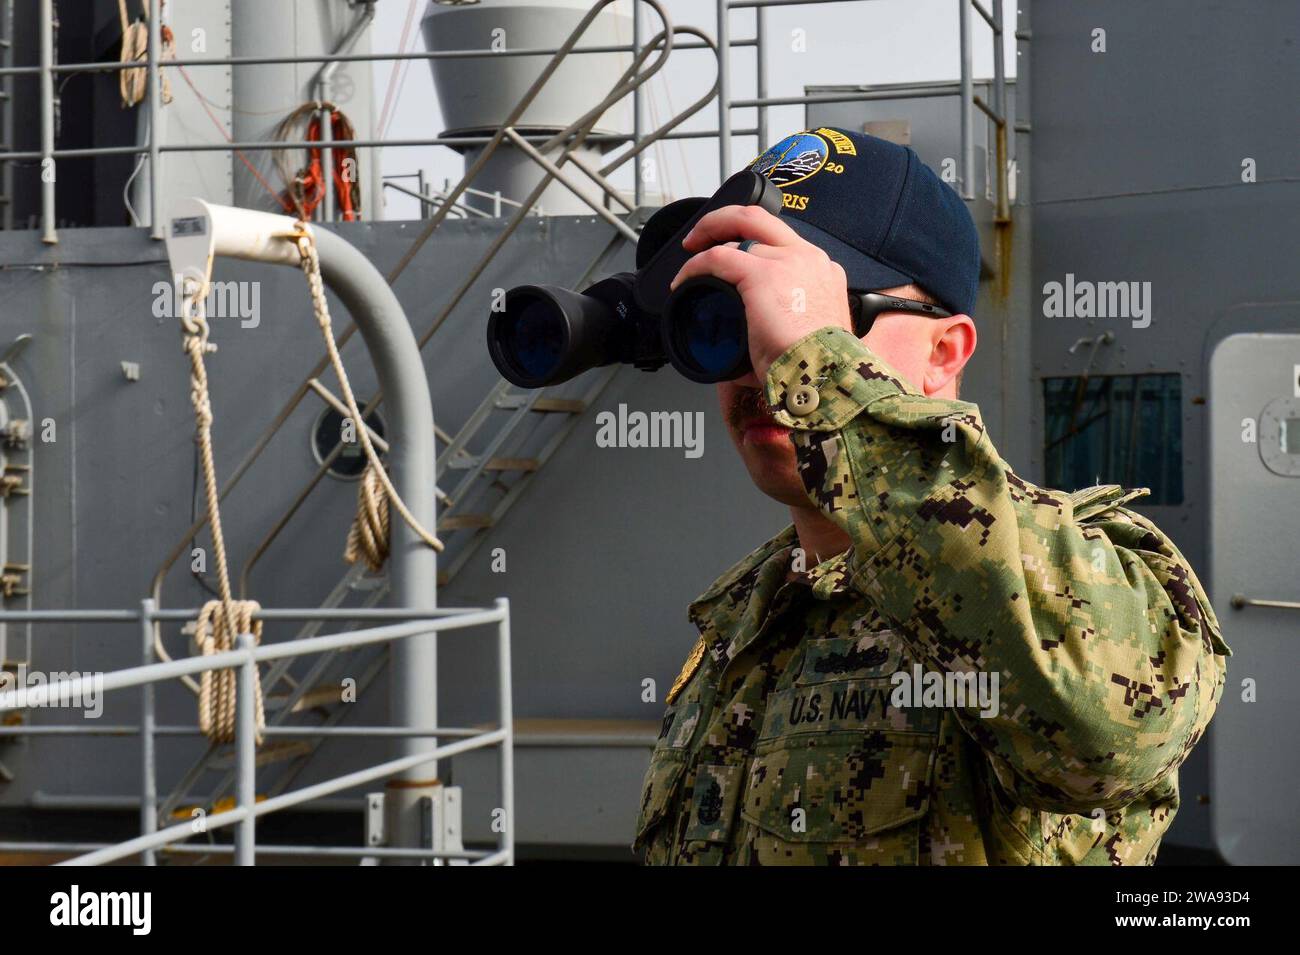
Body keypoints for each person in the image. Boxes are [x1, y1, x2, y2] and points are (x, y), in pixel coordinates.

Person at [633, 127, 1230, 865]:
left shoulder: (1097, 578)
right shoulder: (747, 615)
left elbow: (1107, 740)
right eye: (736, 315)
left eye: (818, 314)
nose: (768, 360)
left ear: (944, 351)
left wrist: (827, 377)